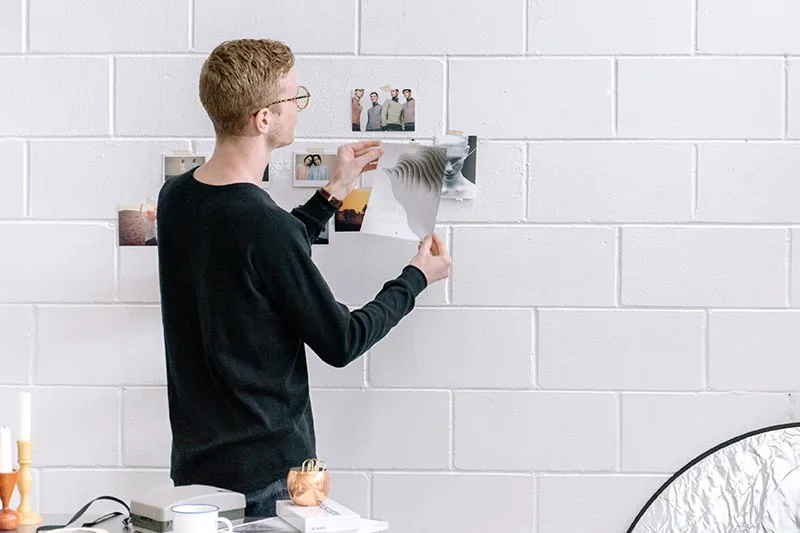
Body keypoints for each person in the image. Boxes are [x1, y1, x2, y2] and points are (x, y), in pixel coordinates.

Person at [156, 38, 452, 520]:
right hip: (266, 480)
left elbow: (263, 254)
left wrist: (335, 189)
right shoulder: (263, 226)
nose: (299, 106)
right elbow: (341, 340)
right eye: (294, 97)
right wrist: (416, 277)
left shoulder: (176, 198)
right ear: (263, 119)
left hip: (195, 472)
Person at [435, 133, 477, 200]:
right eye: (442, 158)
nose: (449, 169)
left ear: (466, 152)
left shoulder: (472, 191)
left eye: (455, 160)